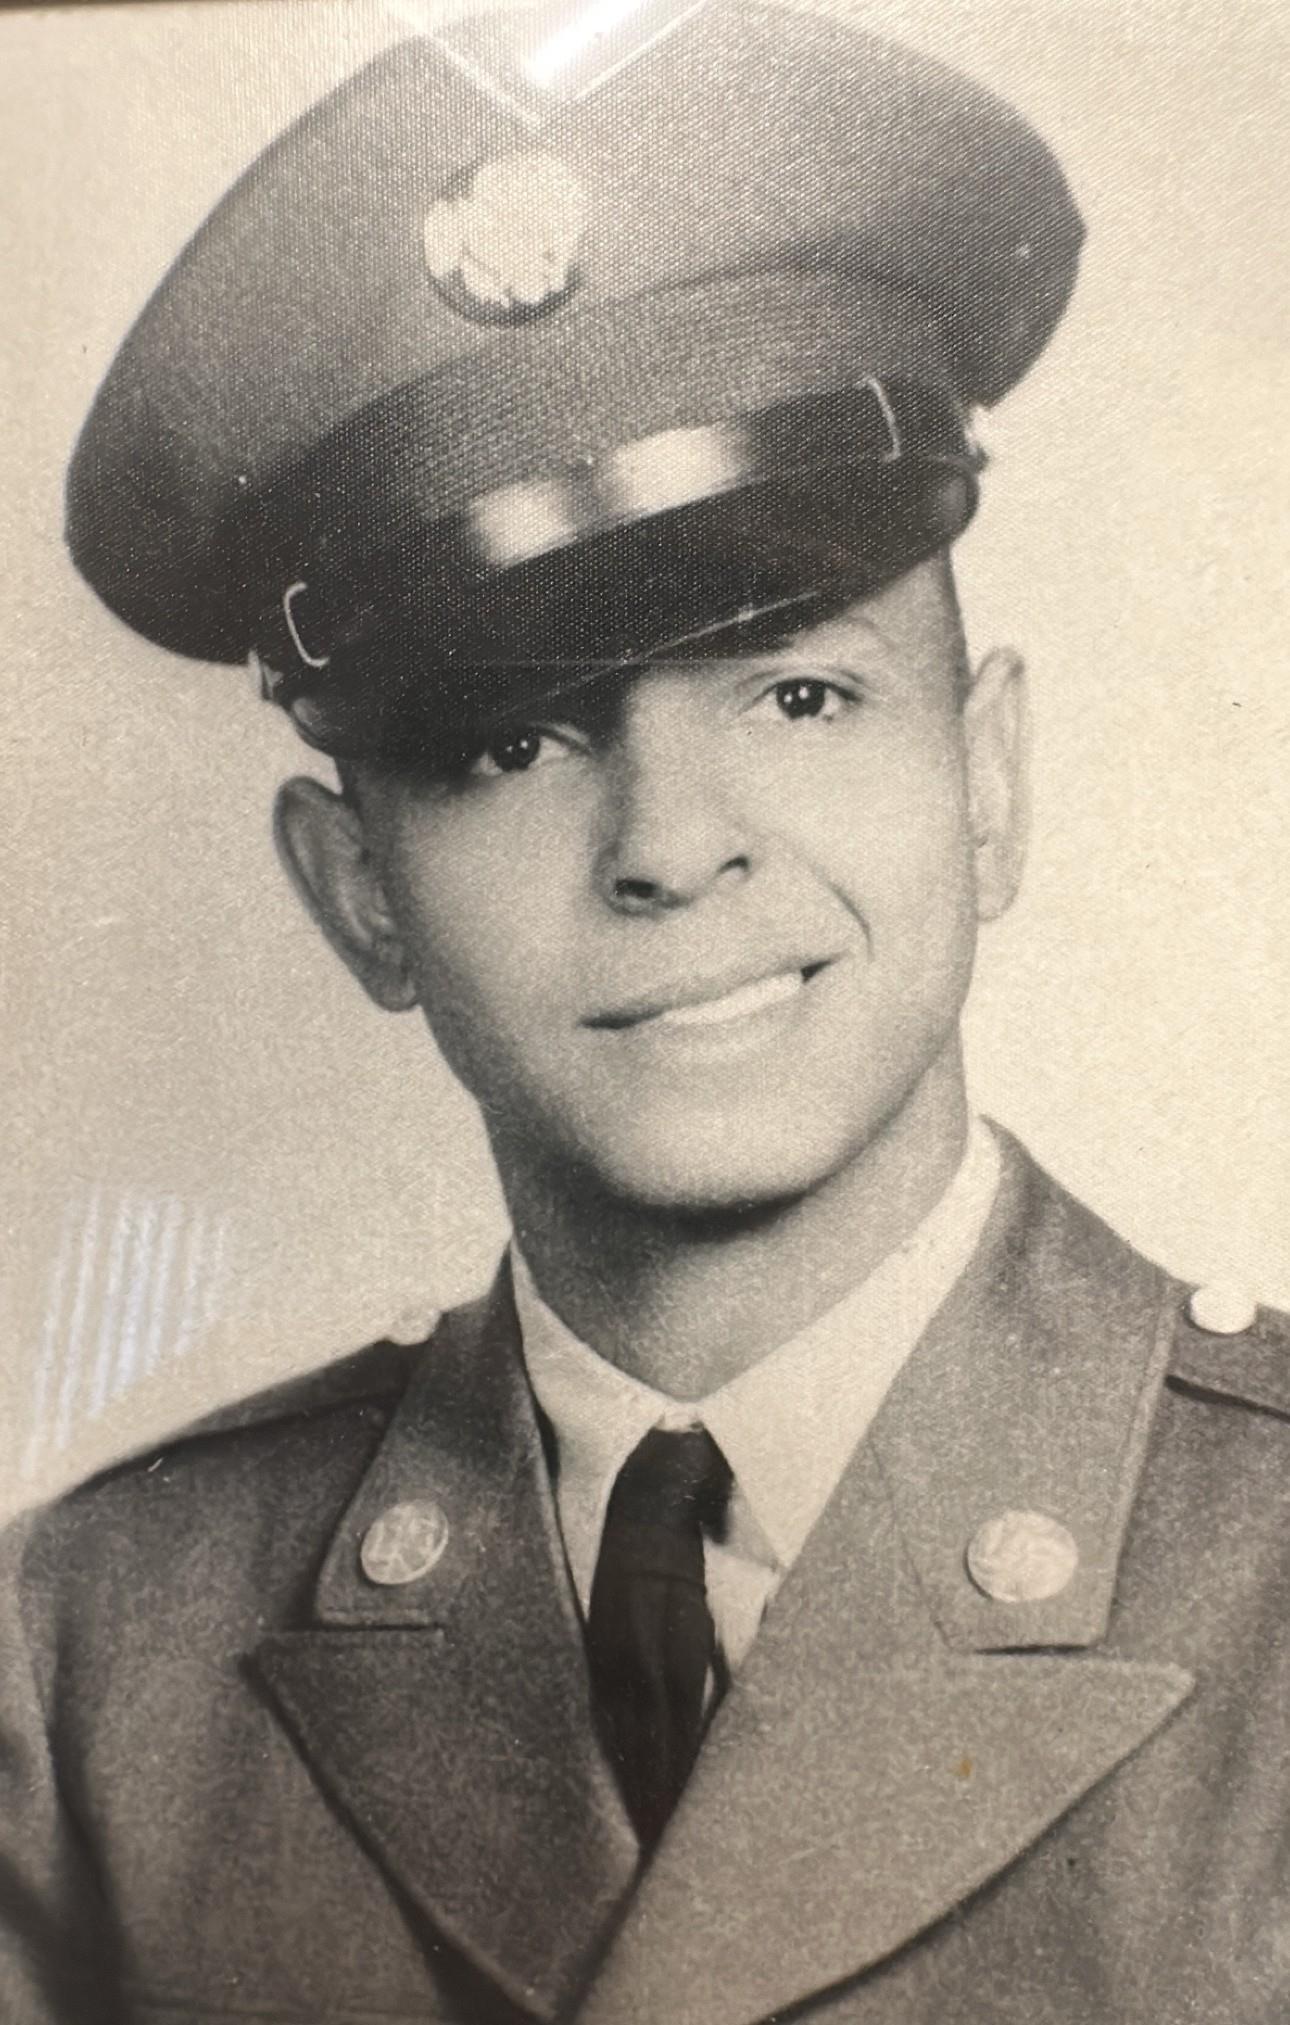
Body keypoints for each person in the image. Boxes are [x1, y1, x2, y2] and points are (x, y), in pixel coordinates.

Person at [2, 2, 1286, 2021]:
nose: (674, 846)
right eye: (514, 741)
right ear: (359, 897)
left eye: (800, 688)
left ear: (990, 776)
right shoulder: (92, 1667)